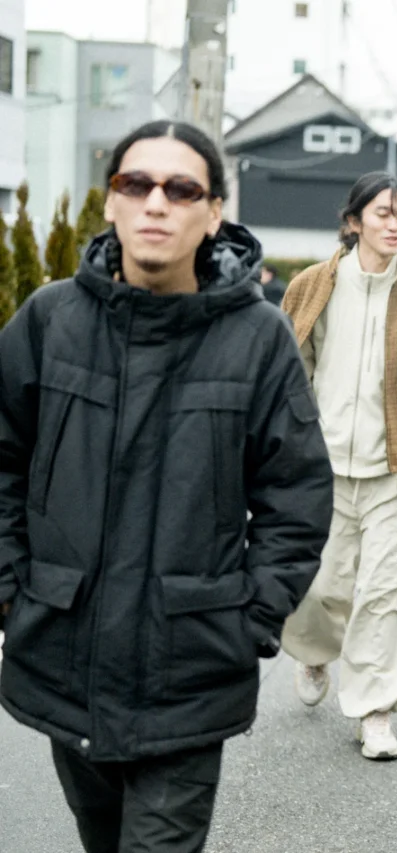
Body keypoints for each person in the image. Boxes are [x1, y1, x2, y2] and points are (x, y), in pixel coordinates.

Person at [0, 120, 333, 853]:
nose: (156, 202)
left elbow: (296, 495)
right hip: (64, 652)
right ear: (110, 202)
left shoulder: (258, 338)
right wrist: (13, 588)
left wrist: (249, 618)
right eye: (136, 183)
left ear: (213, 213)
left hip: (190, 667)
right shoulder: (50, 320)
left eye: (182, 189)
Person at [280, 172, 397, 761]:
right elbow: (289, 369)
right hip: (323, 469)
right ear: (354, 221)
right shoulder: (312, 286)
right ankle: (313, 653)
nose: (395, 224)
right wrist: (288, 444)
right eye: (383, 213)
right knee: (319, 587)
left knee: (389, 594)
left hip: (396, 471)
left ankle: (376, 712)